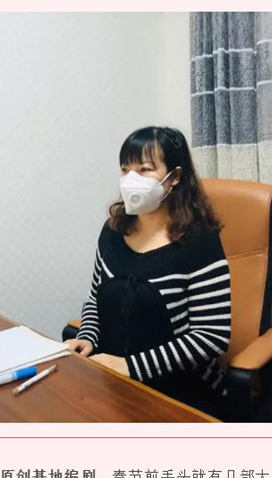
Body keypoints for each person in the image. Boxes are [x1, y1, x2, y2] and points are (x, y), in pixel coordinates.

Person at [64, 126, 231, 415]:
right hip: (112, 378)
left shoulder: (199, 241)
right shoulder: (113, 231)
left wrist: (131, 366)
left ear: (174, 177)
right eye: (125, 170)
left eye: (145, 170)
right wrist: (87, 337)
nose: (132, 180)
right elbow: (95, 300)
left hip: (180, 388)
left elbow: (212, 335)